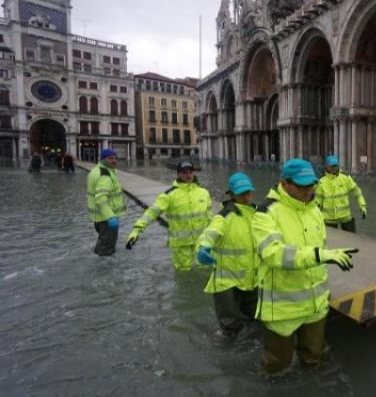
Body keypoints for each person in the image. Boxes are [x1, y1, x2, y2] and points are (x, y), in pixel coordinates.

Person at [251, 158, 358, 373]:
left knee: (314, 360)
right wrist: (320, 255)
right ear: (285, 183)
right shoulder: (265, 213)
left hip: (315, 305)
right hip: (283, 309)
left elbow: (320, 251)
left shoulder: (315, 210)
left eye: (311, 185)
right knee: (277, 365)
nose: (308, 191)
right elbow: (274, 253)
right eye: (302, 186)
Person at [196, 173, 260, 340]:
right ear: (231, 195)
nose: (246, 197)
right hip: (226, 283)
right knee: (230, 327)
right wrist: (203, 247)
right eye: (241, 193)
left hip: (250, 280)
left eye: (248, 192)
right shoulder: (223, 217)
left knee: (254, 320)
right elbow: (209, 234)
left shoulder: (257, 215)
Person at [125, 159, 212, 271]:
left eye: (190, 171)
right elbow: (151, 213)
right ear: (178, 174)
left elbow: (210, 218)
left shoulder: (204, 193)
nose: (188, 175)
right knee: (183, 275)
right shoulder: (169, 195)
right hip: (181, 246)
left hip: (201, 243)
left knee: (204, 271)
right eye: (184, 172)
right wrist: (136, 230)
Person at [86, 149, 125, 256]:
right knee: (107, 249)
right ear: (102, 159)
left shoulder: (96, 170)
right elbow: (100, 199)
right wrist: (111, 217)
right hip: (107, 219)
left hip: (98, 218)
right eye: (110, 158)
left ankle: (97, 258)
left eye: (115, 158)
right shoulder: (105, 175)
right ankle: (105, 271)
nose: (114, 161)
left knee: (102, 243)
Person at [315, 155, 367, 233]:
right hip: (329, 219)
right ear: (327, 166)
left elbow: (357, 192)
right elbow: (317, 203)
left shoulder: (345, 178)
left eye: (335, 165)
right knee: (330, 243)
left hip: (345, 217)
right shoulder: (321, 182)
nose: (334, 168)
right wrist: (316, 218)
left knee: (352, 241)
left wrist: (362, 207)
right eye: (331, 166)